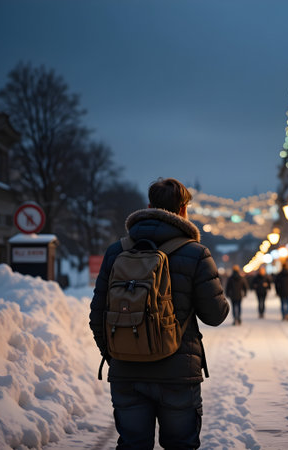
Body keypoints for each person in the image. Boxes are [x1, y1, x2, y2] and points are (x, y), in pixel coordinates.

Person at [89, 177, 230, 449]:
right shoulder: (196, 253)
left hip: (127, 371)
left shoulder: (116, 251)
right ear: (182, 210)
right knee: (181, 444)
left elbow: (98, 315)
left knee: (133, 444)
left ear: (149, 206)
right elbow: (216, 315)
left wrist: (116, 353)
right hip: (178, 373)